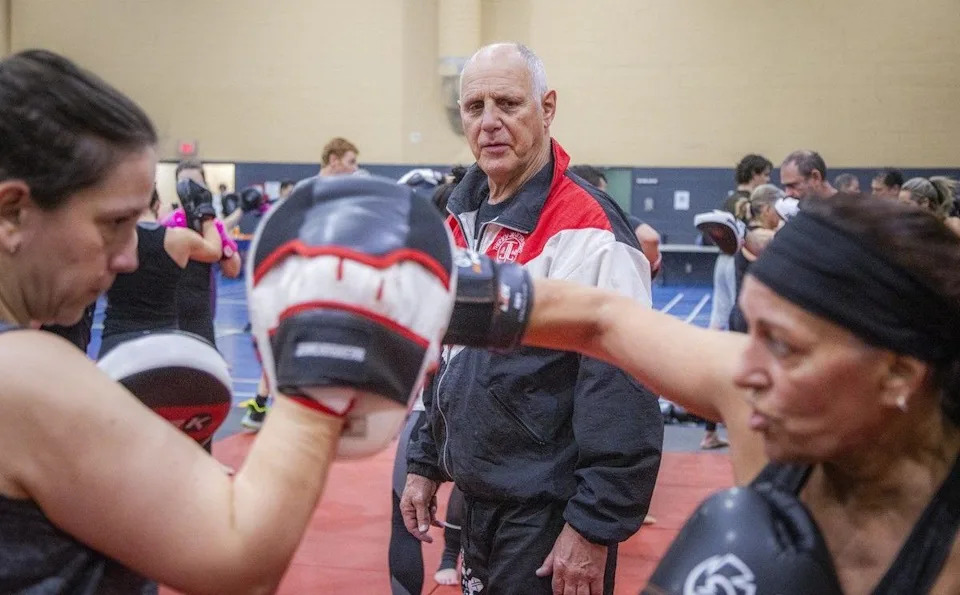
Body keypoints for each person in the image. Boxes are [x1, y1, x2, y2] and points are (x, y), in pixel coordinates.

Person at [0, 49, 462, 593]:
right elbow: (242, 562)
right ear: (13, 212)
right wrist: (324, 362)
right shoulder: (23, 375)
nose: (128, 256)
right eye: (114, 224)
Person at [504, 193, 960, 593]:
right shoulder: (760, 399)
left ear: (899, 373)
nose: (744, 369)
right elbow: (601, 318)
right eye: (750, 333)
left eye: (782, 344)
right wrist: (448, 285)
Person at [401, 43, 663, 595]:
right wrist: (426, 459)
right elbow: (450, 360)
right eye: (475, 108)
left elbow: (624, 382)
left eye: (508, 103)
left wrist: (592, 526)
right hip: (480, 501)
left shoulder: (588, 229)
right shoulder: (461, 219)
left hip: (548, 514)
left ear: (546, 109)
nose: (490, 123)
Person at [98, 187, 224, 358]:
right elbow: (215, 252)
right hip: (164, 341)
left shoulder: (111, 239)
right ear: (157, 205)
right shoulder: (179, 239)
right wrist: (207, 217)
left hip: (118, 339)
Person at [172, 160, 242, 347]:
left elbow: (232, 270)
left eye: (195, 183)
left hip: (202, 307)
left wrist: (222, 243)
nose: (189, 189)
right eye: (184, 183)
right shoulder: (168, 223)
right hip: (170, 310)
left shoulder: (213, 225)